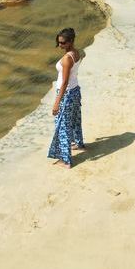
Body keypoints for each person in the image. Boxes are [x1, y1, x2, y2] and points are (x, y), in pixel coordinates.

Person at [47, 27, 85, 167]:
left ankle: (66, 160)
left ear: (70, 41)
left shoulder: (66, 59)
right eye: (59, 42)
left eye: (63, 43)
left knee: (62, 125)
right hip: (75, 91)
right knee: (75, 120)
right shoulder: (77, 52)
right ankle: (78, 144)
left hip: (67, 93)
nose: (60, 45)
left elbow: (64, 82)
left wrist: (57, 102)